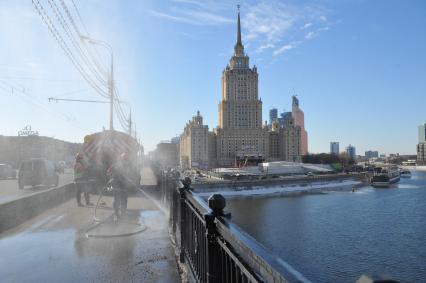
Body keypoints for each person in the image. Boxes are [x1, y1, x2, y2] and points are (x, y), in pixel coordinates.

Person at [107, 152, 133, 219]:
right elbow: (108, 172)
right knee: (117, 199)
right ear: (122, 159)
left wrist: (130, 179)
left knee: (123, 199)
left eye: (126, 159)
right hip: (117, 185)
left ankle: (122, 213)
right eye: (125, 159)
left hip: (123, 185)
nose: (125, 160)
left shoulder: (128, 166)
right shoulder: (115, 165)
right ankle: (116, 213)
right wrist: (112, 178)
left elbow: (131, 174)